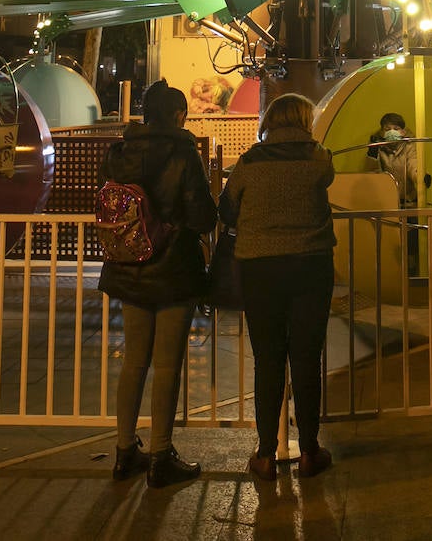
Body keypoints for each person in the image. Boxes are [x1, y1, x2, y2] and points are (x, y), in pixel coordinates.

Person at [98, 79, 217, 488]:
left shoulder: (119, 152)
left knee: (134, 361)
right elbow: (202, 216)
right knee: (166, 366)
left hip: (128, 266)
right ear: (178, 115)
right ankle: (160, 455)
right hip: (173, 272)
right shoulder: (183, 153)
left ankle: (124, 451)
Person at [219, 92, 335, 482]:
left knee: (268, 359)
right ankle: (309, 451)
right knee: (306, 357)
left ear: (270, 120)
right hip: (311, 265)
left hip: (259, 268)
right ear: (305, 120)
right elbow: (325, 182)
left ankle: (266, 454)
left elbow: (226, 209)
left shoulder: (249, 162)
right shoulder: (320, 158)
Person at [367, 111, 419, 206]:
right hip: (386, 201)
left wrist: (420, 177)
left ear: (403, 131)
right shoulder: (378, 147)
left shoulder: (409, 145)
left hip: (408, 200)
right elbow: (374, 173)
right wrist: (372, 155)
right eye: (387, 129)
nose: (392, 132)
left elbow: (413, 164)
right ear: (382, 132)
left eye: (396, 129)